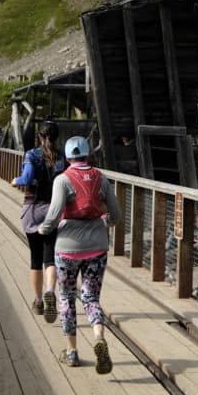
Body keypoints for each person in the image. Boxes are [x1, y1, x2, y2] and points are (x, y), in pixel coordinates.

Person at [39, 135, 121, 373]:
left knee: (65, 297)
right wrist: (102, 221)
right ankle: (98, 336)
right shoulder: (101, 178)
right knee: (91, 298)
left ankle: (72, 352)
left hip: (67, 248)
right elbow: (115, 215)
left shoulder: (62, 180)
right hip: (97, 246)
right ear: (88, 155)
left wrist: (43, 229)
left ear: (67, 157)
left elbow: (54, 215)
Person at [10, 120, 67, 321]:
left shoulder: (32, 155)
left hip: (33, 209)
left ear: (40, 137)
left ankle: (39, 301)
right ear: (57, 137)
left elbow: (26, 178)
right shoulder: (63, 157)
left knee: (35, 258)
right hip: (54, 211)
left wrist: (15, 181)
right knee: (50, 256)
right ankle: (51, 290)